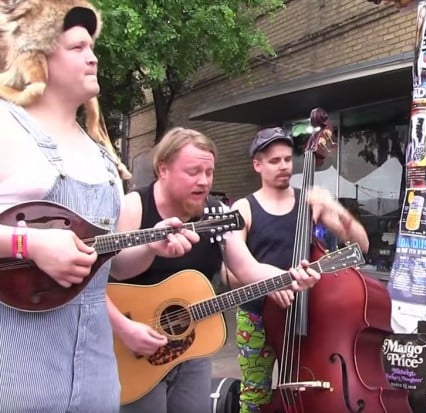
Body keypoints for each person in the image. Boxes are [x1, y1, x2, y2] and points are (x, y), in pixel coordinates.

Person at [0, 2, 200, 411]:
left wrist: (150, 247)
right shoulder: (6, 127)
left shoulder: (102, 155)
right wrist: (30, 246)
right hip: (15, 374)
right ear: (37, 56)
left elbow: (111, 265)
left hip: (97, 379)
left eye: (93, 46)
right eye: (77, 47)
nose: (93, 57)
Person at [109, 127, 321, 413]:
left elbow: (247, 268)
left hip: (191, 343)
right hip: (132, 343)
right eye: (193, 172)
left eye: (209, 173)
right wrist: (126, 328)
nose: (204, 182)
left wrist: (290, 277)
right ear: (164, 170)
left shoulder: (216, 213)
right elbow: (112, 274)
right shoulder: (134, 206)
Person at [233, 126, 369, 413]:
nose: (284, 166)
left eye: (286, 159)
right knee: (254, 395)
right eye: (274, 161)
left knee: (311, 388)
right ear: (257, 165)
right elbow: (231, 273)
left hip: (307, 314)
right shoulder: (244, 209)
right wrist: (271, 285)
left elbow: (362, 246)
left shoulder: (309, 202)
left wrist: (336, 210)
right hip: (256, 315)